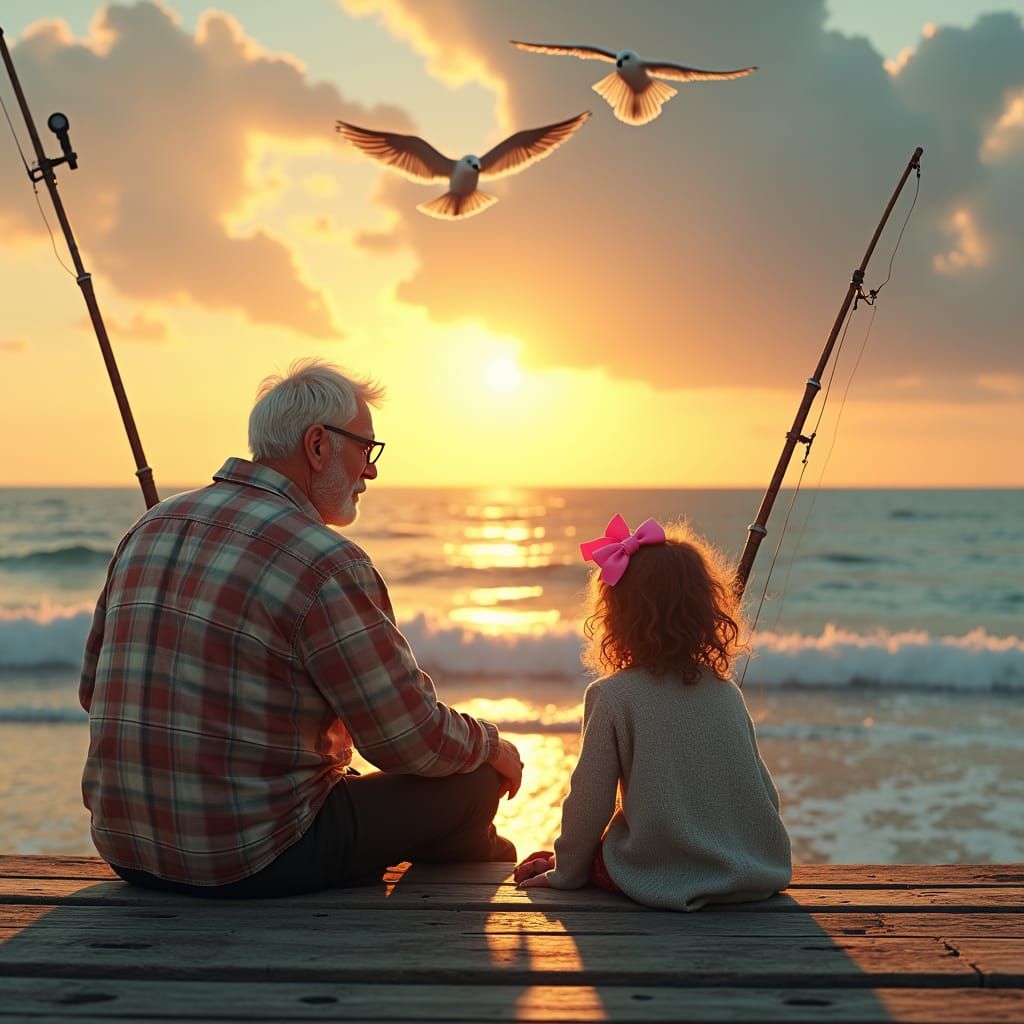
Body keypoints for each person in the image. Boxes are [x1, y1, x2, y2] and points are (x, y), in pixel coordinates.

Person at [79, 358, 521, 898]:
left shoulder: (149, 527)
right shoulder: (325, 561)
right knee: (472, 783)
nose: (372, 472)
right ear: (317, 446)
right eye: (366, 449)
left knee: (388, 789)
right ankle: (484, 858)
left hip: (127, 849)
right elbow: (407, 740)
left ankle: (473, 848)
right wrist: (492, 746)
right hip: (251, 859)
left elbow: (91, 691)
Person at [514, 514, 791, 911]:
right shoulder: (726, 692)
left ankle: (567, 863)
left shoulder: (612, 696)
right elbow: (763, 795)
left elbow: (589, 804)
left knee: (562, 860)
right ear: (707, 609)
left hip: (666, 875)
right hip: (756, 871)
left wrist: (567, 874)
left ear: (616, 616)